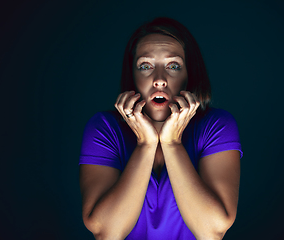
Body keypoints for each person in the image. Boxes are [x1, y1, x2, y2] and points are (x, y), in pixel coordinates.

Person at [79, 17, 243, 240]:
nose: (159, 80)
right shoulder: (104, 128)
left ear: (188, 76)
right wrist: (146, 145)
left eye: (173, 66)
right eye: (145, 66)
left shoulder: (216, 125)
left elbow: (212, 230)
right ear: (133, 77)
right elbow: (107, 232)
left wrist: (172, 144)